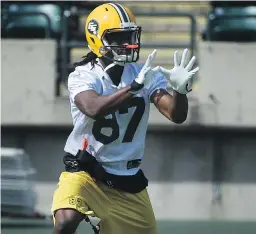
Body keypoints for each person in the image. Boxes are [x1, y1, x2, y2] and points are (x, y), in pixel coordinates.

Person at [51, 2, 199, 234]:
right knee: (65, 221)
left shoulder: (143, 74)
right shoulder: (83, 75)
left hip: (127, 179)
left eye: (129, 36)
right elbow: (93, 108)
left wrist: (180, 91)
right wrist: (133, 88)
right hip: (87, 172)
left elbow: (175, 114)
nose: (127, 43)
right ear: (97, 40)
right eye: (118, 38)